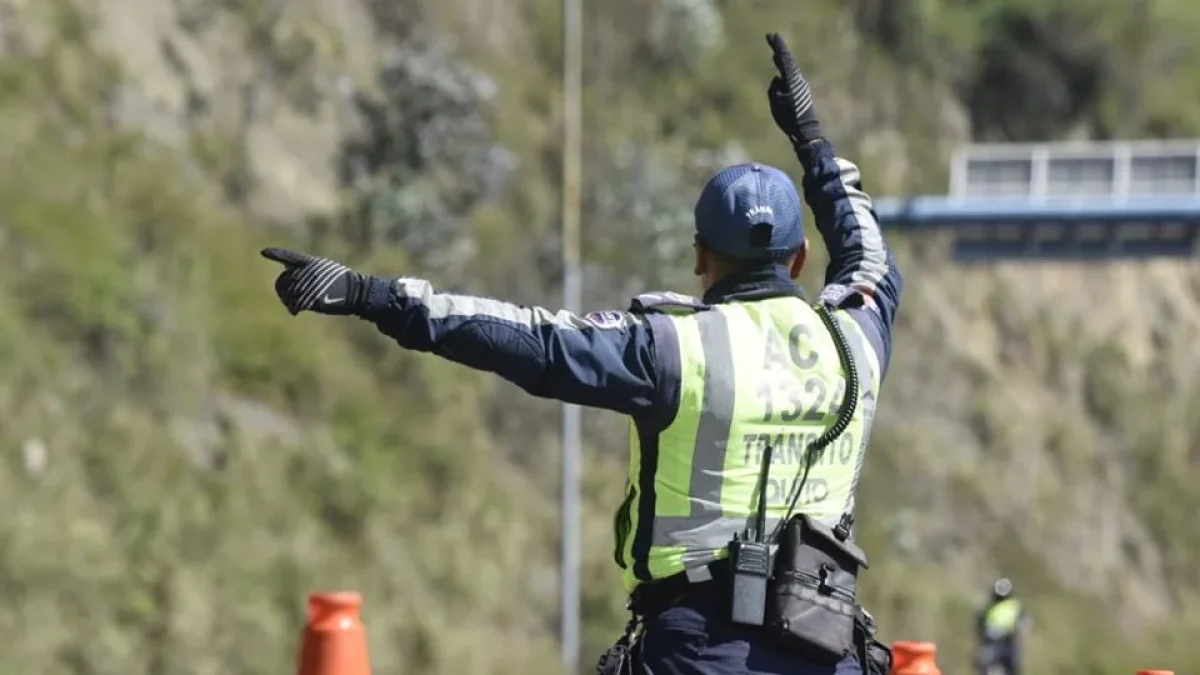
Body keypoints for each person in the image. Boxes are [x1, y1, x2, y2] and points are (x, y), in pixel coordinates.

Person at [262, 34, 902, 675]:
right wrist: (813, 141)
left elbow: (527, 339)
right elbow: (866, 249)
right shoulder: (858, 338)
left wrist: (369, 295)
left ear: (700, 255)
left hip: (696, 650)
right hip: (827, 647)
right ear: (800, 260)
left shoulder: (669, 347)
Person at [975, 578, 1031, 675]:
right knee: (986, 665)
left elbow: (1024, 622)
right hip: (992, 642)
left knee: (1010, 666)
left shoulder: (1013, 606)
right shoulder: (990, 607)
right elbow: (980, 622)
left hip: (1006, 641)